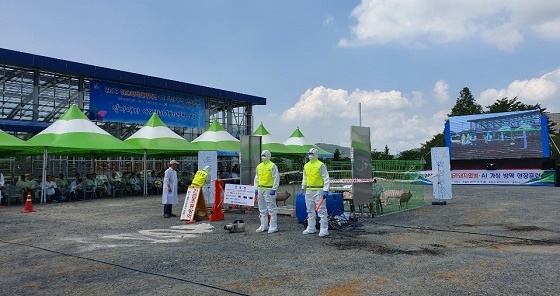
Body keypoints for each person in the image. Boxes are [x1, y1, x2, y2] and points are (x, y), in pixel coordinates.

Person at [300, 147, 330, 237]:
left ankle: (324, 229)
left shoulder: (320, 165)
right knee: (310, 210)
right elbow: (304, 177)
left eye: (312, 154)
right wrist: (303, 187)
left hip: (318, 190)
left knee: (321, 210)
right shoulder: (306, 165)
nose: (310, 156)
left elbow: (326, 177)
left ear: (316, 154)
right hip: (309, 190)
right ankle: (311, 227)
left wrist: (325, 189)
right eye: (309, 154)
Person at [253, 150, 280, 233]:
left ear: (269, 156)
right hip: (261, 189)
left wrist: (274, 189)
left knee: (271, 209)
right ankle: (264, 226)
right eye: (262, 155)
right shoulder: (259, 166)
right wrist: (256, 188)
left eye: (264, 155)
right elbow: (256, 178)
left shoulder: (272, 166)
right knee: (262, 209)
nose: (263, 157)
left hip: (269, 189)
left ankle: (273, 226)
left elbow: (276, 177)